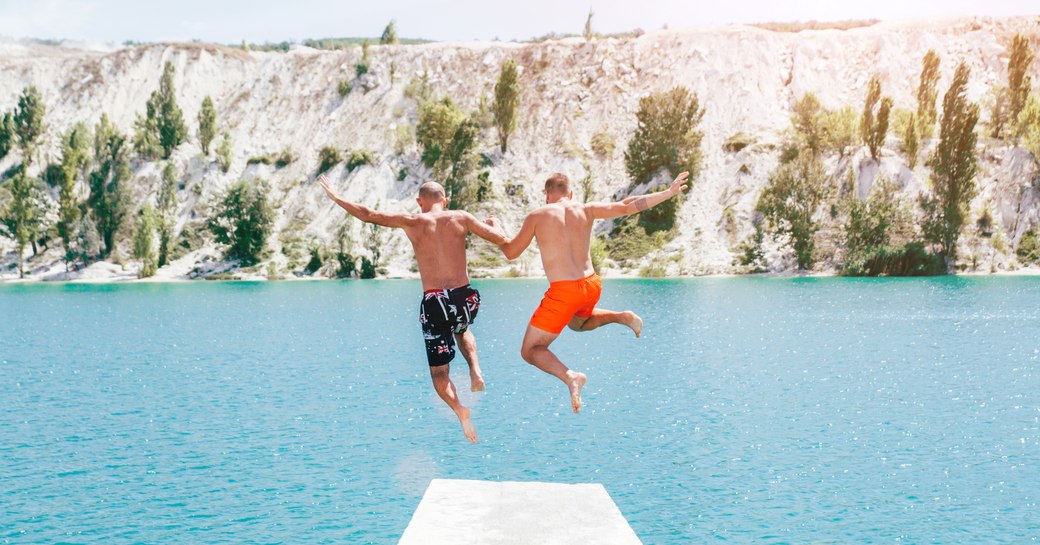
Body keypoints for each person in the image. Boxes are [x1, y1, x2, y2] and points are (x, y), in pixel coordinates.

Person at [317, 175, 508, 443]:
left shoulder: (413, 221)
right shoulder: (461, 216)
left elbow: (369, 215)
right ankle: (475, 369)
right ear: (446, 200)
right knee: (462, 328)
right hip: (464, 298)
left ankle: (460, 409)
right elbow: (500, 239)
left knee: (440, 373)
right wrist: (495, 222)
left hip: (435, 302)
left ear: (419, 202)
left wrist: (337, 197)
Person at [491, 171, 689, 413]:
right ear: (570, 193)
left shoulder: (537, 215)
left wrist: (498, 231)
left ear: (547, 195)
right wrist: (668, 193)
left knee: (530, 351)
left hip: (564, 291)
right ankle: (622, 316)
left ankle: (571, 377)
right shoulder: (586, 209)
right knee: (577, 324)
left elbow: (511, 252)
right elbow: (627, 206)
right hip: (591, 284)